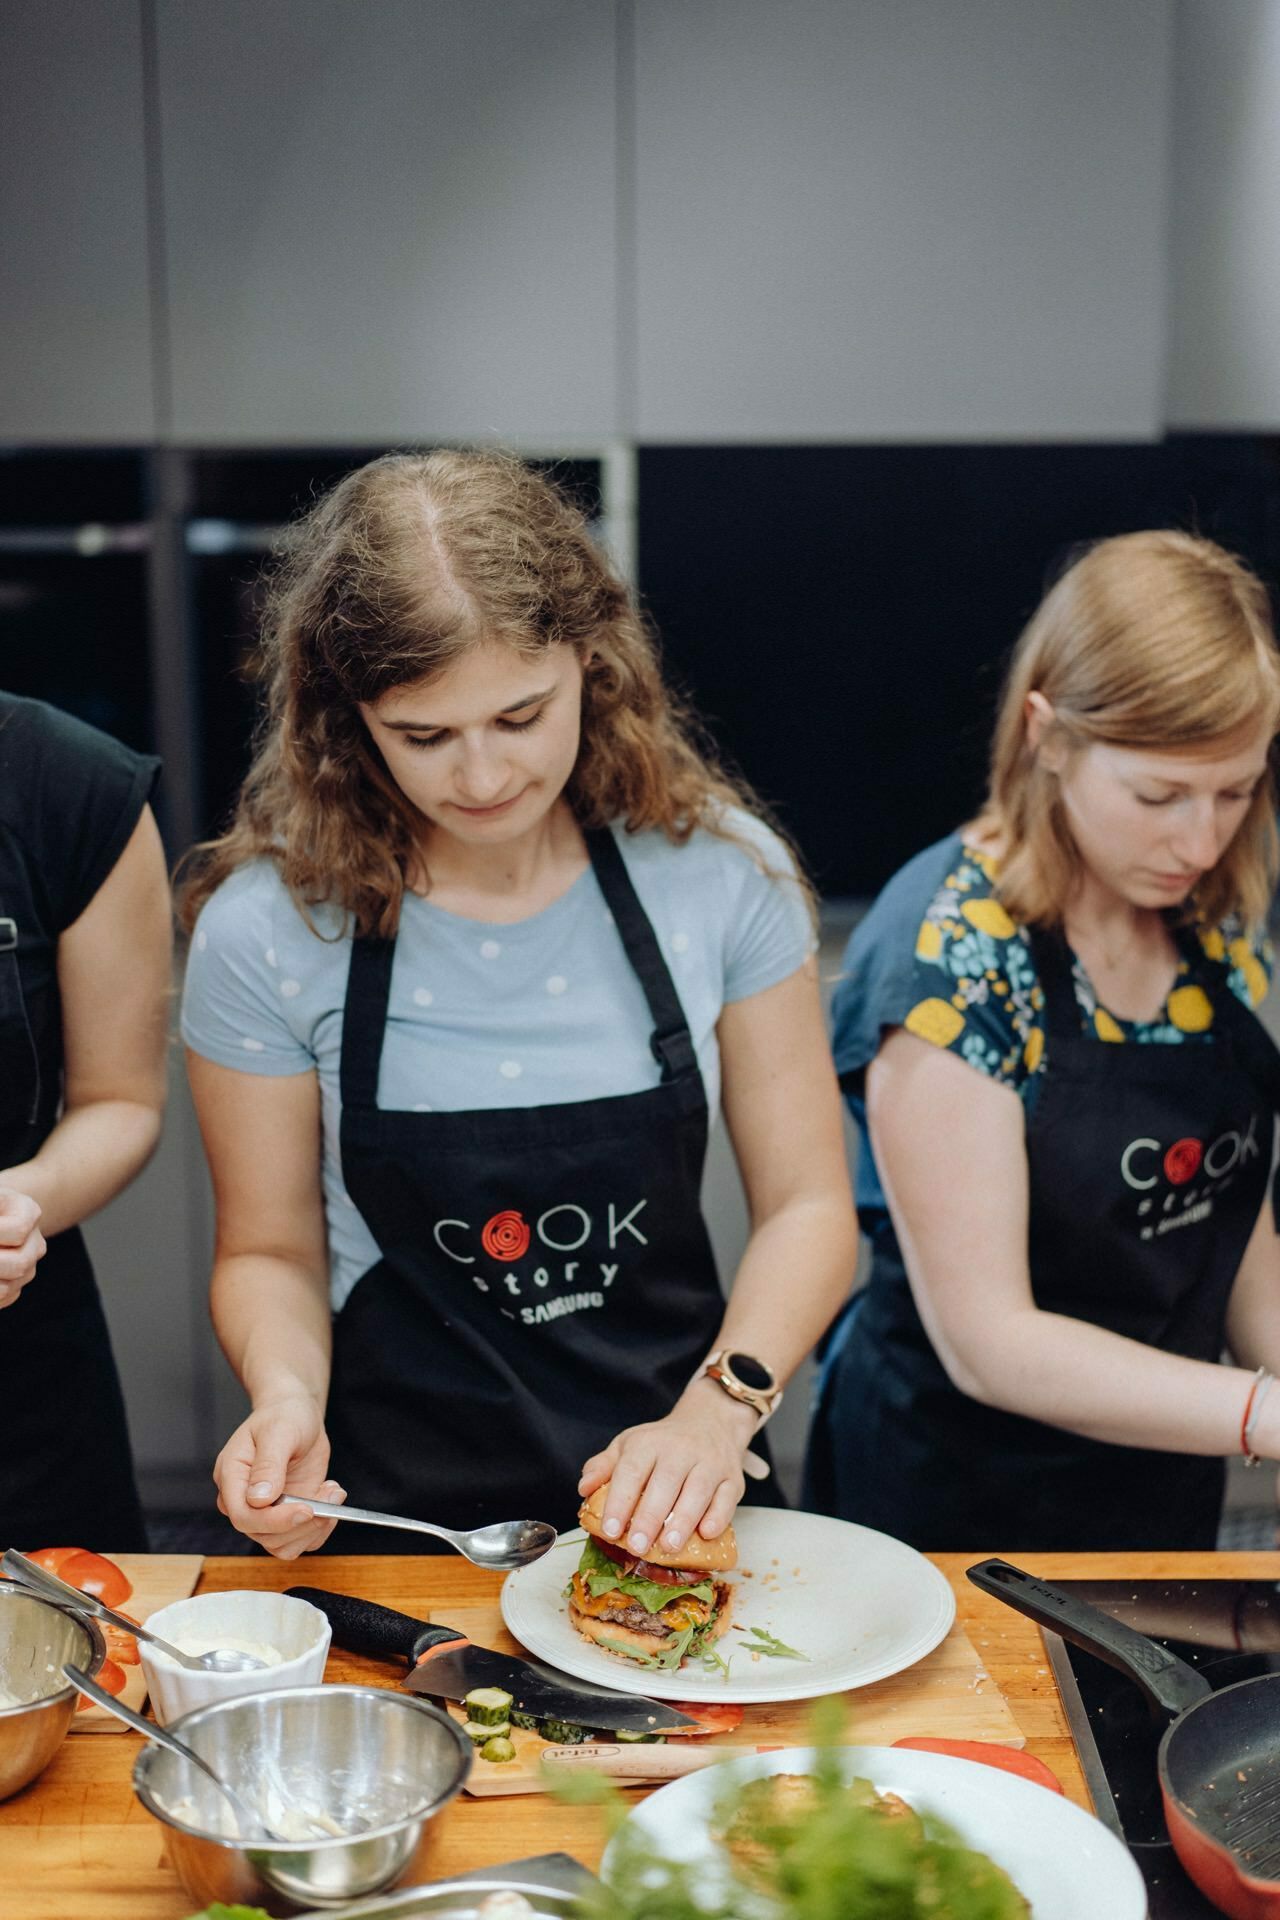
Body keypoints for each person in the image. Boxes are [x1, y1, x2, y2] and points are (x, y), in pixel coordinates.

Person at [179, 449, 857, 1559]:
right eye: (425, 736)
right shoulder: (269, 928)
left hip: (682, 1487)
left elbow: (808, 1211)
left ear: (589, 662)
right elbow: (268, 1251)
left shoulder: (718, 876)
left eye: (520, 714)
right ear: (349, 718)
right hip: (400, 1515)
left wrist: (718, 1410)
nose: (483, 775)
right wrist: (286, 1398)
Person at [804, 530, 1280, 1552]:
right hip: (956, 1506)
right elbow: (991, 1344)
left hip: (1162, 1478)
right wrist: (1260, 1415)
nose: (1200, 841)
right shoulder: (950, 951)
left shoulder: (1215, 912)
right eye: (1157, 796)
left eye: (1233, 791)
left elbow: (1235, 1238)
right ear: (1045, 736)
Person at [0, 693, 170, 1549]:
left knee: (68, 1661)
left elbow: (121, 1101)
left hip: (22, 1386)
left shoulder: (69, 786)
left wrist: (20, 1203)